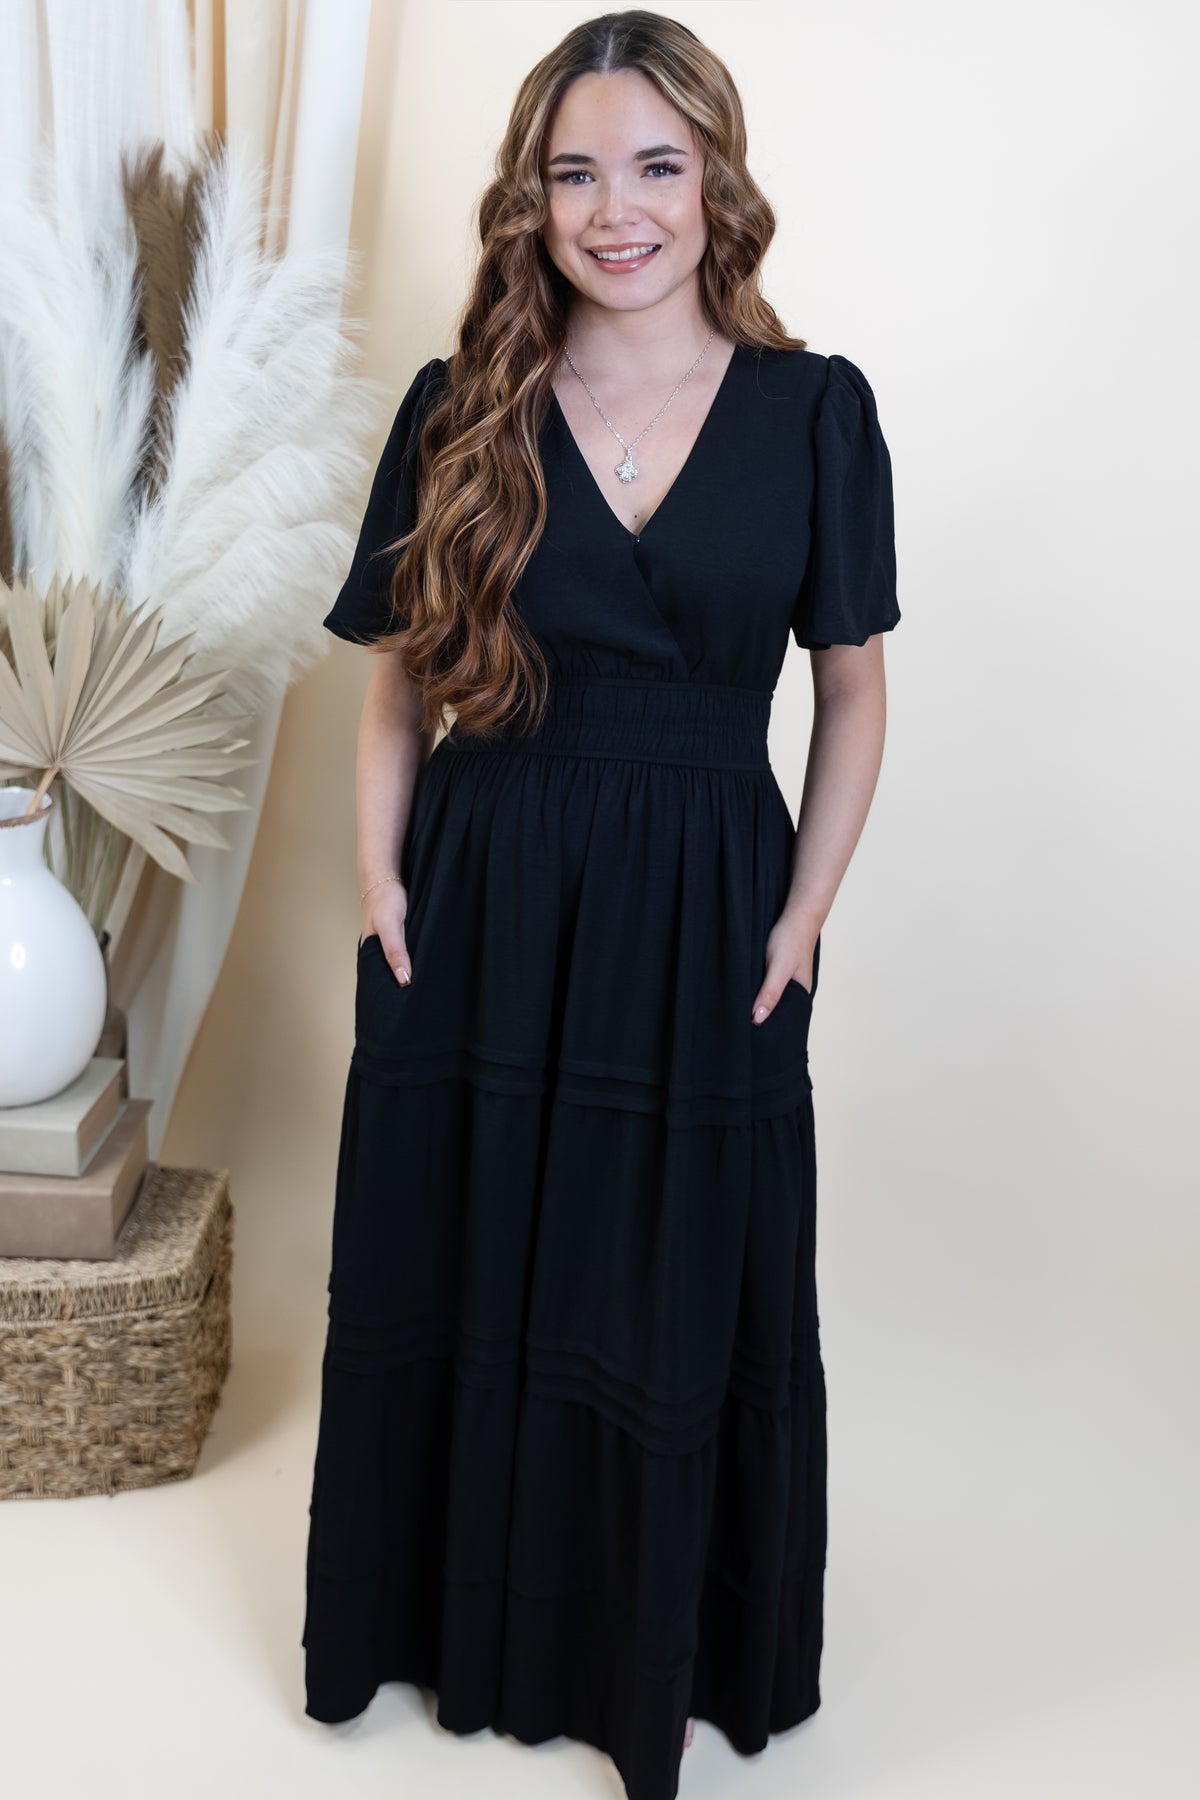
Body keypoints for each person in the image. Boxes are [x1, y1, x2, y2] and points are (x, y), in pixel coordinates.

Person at [302, 10, 900, 1799]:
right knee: (465, 1254)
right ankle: (455, 1633)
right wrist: (379, 874)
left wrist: (801, 919)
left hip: (711, 897)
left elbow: (852, 691)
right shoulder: (459, 406)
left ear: (716, 182)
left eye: (654, 166)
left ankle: (649, 1652)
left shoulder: (815, 412)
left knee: (670, 1283)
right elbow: (398, 682)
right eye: (574, 173)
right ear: (531, 198)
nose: (614, 210)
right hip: (484, 892)